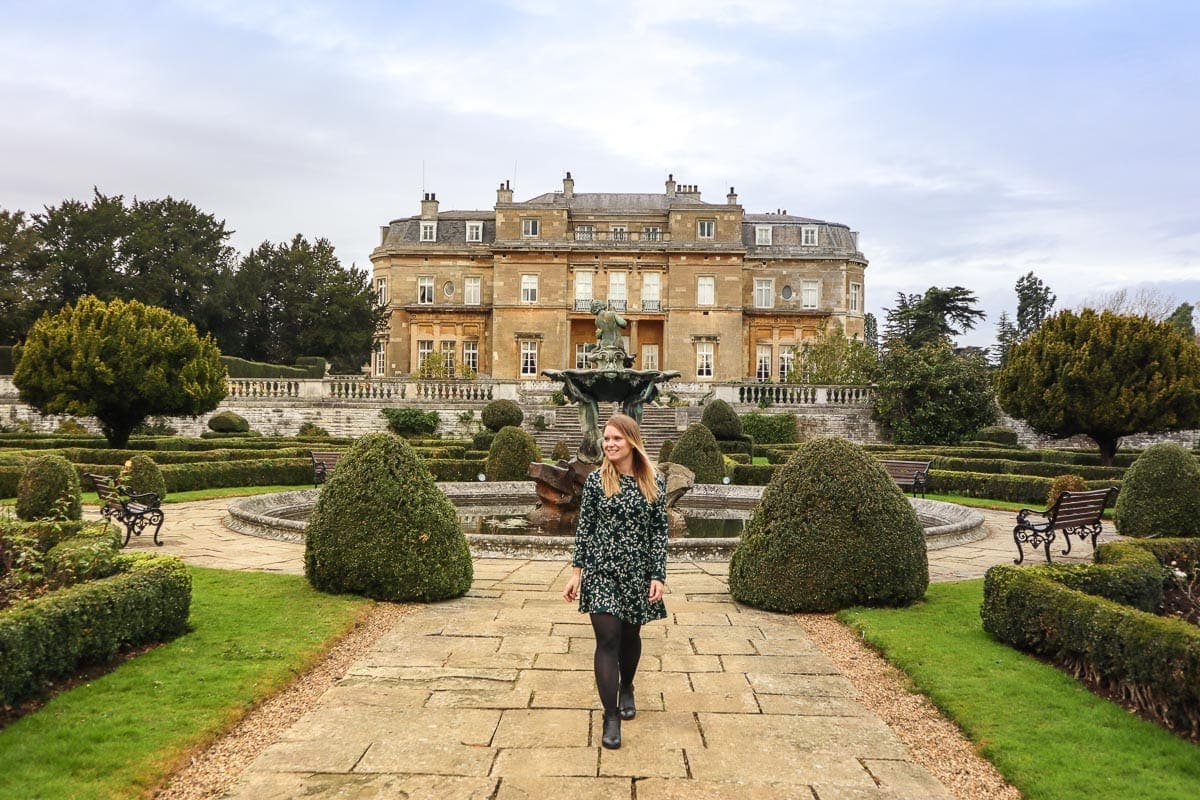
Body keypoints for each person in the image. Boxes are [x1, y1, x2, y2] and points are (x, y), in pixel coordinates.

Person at [562, 413, 667, 750]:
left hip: (637, 573)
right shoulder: (596, 482)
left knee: (629, 636)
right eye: (606, 439)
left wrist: (658, 575)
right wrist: (576, 573)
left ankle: (628, 687)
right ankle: (610, 715)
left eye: (616, 439)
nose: (609, 444)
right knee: (607, 639)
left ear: (631, 441)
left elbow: (658, 533)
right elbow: (586, 529)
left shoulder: (653, 482)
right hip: (602, 571)